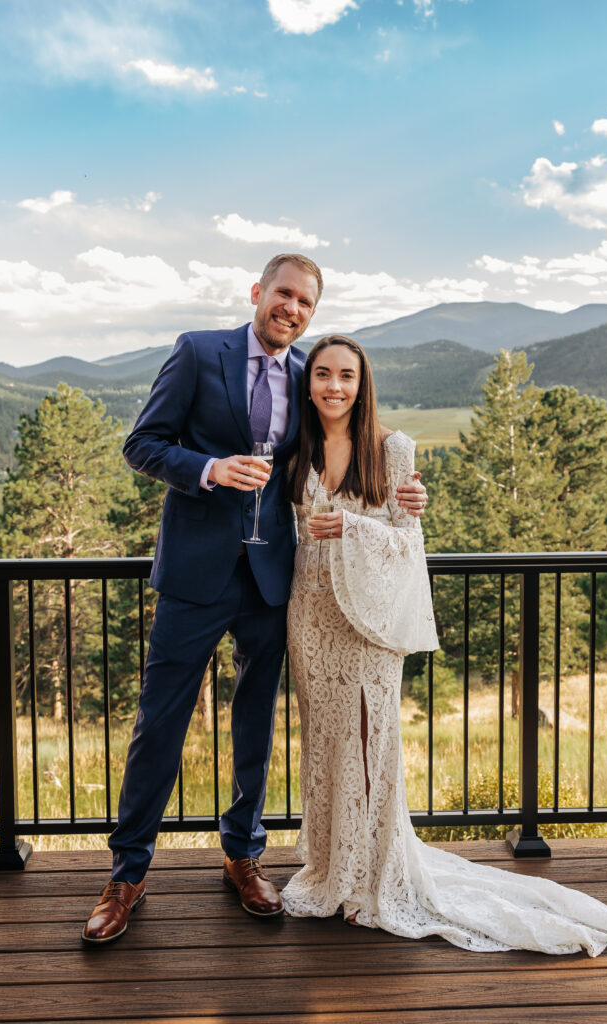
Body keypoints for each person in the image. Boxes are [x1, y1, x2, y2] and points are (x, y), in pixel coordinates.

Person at [82, 255, 427, 944]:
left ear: (311, 312)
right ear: (257, 294)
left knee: (255, 728)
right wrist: (207, 468)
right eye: (283, 295)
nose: (291, 309)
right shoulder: (196, 352)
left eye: (304, 301)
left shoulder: (310, 375)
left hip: (276, 582)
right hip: (193, 575)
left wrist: (406, 495)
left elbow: (345, 450)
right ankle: (127, 873)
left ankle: (243, 856)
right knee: (159, 722)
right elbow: (141, 445)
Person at [281, 334, 607, 957]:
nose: (334, 386)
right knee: (327, 743)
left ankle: (374, 879)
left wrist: (357, 525)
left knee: (372, 742)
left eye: (347, 376)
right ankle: (335, 872)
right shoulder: (297, 450)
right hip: (308, 616)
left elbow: (406, 541)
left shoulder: (392, 450)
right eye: (323, 375)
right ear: (308, 383)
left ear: (364, 386)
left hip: (369, 624)